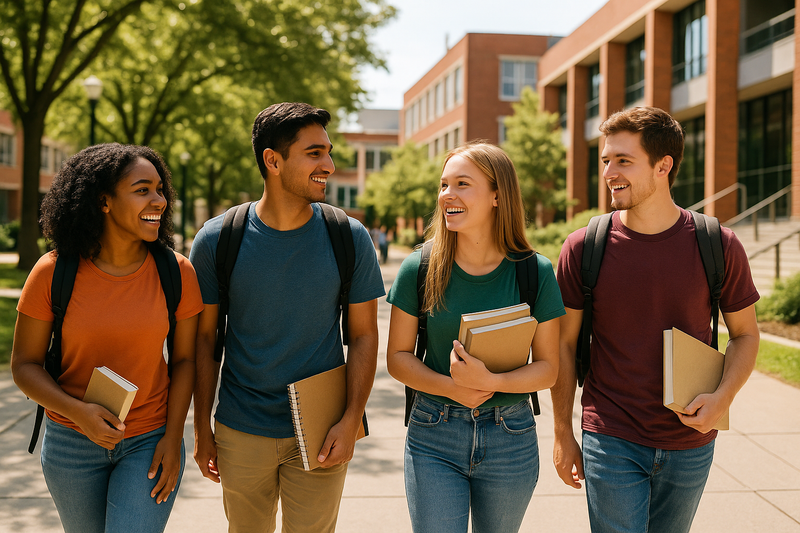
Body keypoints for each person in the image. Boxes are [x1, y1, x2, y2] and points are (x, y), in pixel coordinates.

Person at [553, 107, 760, 533]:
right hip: (610, 434)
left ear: (663, 166)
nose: (608, 172)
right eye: (606, 160)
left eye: (623, 160)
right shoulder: (584, 247)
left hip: (690, 440)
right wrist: (562, 433)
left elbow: (745, 335)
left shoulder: (717, 244)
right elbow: (564, 345)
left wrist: (723, 398)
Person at [189, 102, 385, 533]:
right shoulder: (217, 240)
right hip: (241, 427)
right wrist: (201, 426)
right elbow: (204, 341)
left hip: (322, 428)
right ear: (272, 161)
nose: (329, 165)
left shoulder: (348, 237)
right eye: (314, 153)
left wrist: (351, 419)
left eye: (328, 152)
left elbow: (364, 336)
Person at [11, 143, 205, 533]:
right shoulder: (52, 272)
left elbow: (185, 360)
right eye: (142, 190)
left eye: (160, 189)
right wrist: (78, 412)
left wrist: (173, 438)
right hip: (71, 442)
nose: (159, 200)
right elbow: (24, 366)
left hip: (149, 440)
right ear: (103, 201)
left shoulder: (177, 272)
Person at [385, 142, 563, 533]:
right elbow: (397, 357)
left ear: (497, 195)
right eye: (444, 185)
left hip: (510, 437)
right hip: (433, 432)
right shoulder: (419, 267)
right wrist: (453, 388)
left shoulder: (535, 272)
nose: (447, 195)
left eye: (462, 184)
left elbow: (549, 369)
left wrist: (491, 382)